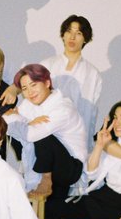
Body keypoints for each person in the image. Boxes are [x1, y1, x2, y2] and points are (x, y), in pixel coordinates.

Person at [5, 64, 87, 200]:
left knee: (41, 136)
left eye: (34, 85)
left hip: (70, 167)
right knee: (19, 133)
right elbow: (4, 121)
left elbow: (31, 135)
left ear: (47, 83)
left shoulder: (63, 108)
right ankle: (40, 178)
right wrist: (28, 122)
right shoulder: (29, 104)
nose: (30, 92)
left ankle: (46, 179)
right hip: (47, 161)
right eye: (24, 88)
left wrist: (20, 121)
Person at [41, 15, 102, 152]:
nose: (72, 37)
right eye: (69, 31)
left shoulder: (92, 74)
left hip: (75, 138)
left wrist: (86, 145)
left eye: (78, 33)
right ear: (63, 35)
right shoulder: (46, 65)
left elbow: (90, 113)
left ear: (85, 39)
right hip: (46, 134)